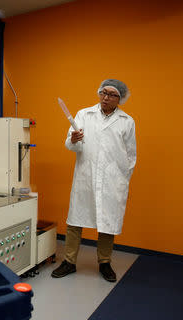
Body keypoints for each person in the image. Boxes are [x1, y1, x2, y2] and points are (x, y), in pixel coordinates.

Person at [52, 79, 137, 282]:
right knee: (75, 219)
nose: (105, 97)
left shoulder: (127, 121)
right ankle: (69, 262)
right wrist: (73, 140)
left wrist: (122, 179)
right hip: (86, 176)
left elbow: (131, 155)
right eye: (103, 92)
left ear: (120, 99)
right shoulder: (84, 114)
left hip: (112, 180)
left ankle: (105, 262)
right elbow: (71, 143)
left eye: (111, 94)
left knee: (108, 222)